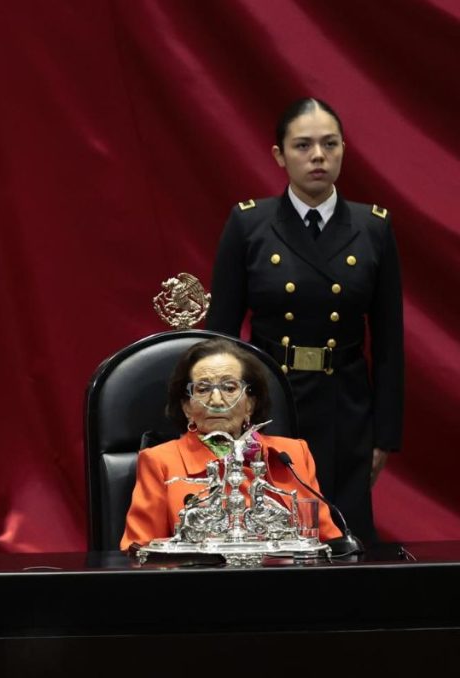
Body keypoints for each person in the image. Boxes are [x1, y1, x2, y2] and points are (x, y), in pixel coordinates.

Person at [206, 97, 404, 545]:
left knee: (342, 539)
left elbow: (390, 344)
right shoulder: (250, 225)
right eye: (303, 145)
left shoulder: (373, 228)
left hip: (346, 407)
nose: (318, 156)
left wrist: (384, 435)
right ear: (279, 155)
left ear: (343, 150)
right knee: (269, 538)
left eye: (329, 144)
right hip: (269, 406)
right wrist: (222, 422)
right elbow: (220, 338)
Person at [120, 338, 341, 550]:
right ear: (187, 407)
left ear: (250, 404)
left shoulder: (291, 455)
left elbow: (329, 544)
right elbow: (139, 551)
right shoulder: (160, 462)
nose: (216, 400)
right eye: (203, 389)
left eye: (229, 387)